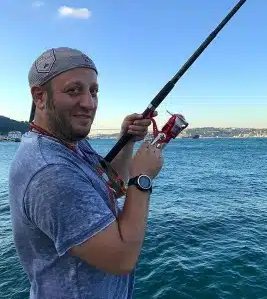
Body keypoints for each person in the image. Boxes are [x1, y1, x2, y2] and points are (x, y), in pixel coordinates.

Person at [8, 47, 164, 299]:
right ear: (39, 96)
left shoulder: (69, 142)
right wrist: (142, 178)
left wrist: (127, 141)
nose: (89, 104)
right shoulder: (50, 172)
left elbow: (112, 185)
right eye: (74, 90)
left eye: (94, 91)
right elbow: (121, 258)